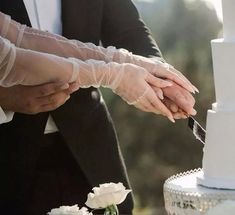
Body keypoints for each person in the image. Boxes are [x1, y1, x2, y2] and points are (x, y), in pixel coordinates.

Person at [0, 1, 196, 214]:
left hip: (90, 150)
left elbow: (25, 38)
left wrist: (150, 73)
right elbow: (11, 59)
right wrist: (113, 75)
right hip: (9, 161)